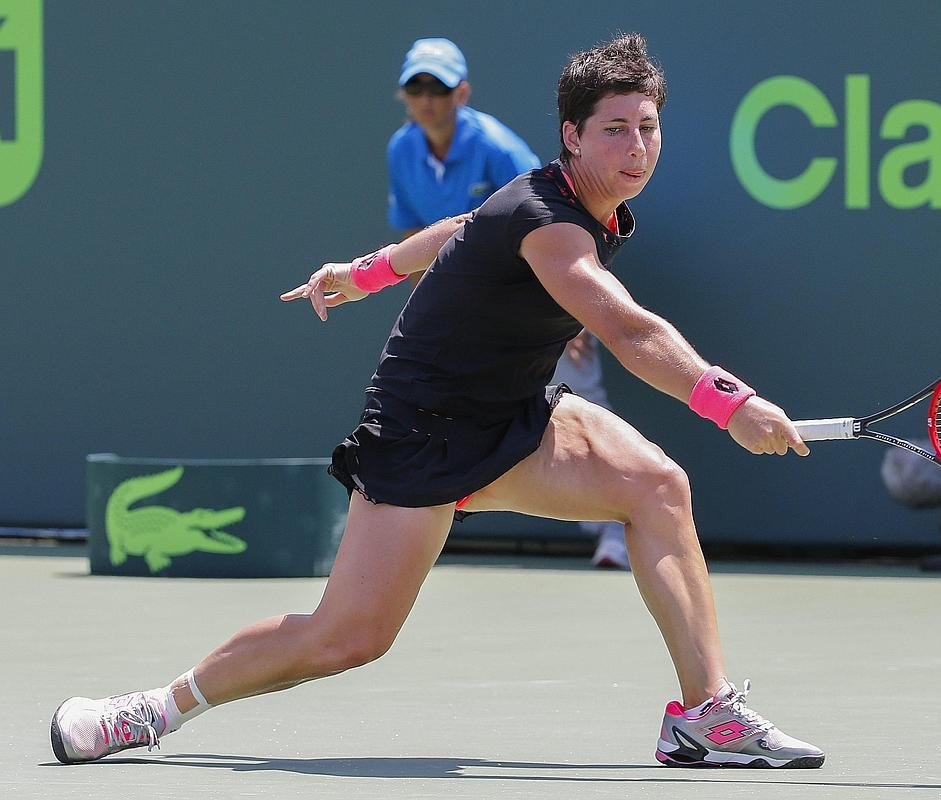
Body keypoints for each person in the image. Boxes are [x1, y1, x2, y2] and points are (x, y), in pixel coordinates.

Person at [49, 33, 825, 770]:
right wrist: (730, 402)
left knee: (658, 487)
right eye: (615, 129)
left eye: (648, 127)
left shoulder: (569, 203)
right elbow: (625, 327)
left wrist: (365, 272)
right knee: (346, 637)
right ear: (572, 136)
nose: (637, 147)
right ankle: (148, 710)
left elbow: (460, 226)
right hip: (423, 431)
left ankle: (705, 716)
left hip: (512, 415)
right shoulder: (550, 224)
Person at [388, 37, 630, 569]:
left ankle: (616, 533)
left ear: (462, 93)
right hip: (466, 315)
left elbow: (565, 215)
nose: (427, 97)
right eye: (416, 86)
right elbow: (414, 232)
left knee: (582, 392)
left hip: (539, 298)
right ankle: (420, 523)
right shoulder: (401, 151)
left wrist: (575, 309)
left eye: (439, 86)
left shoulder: (496, 147)